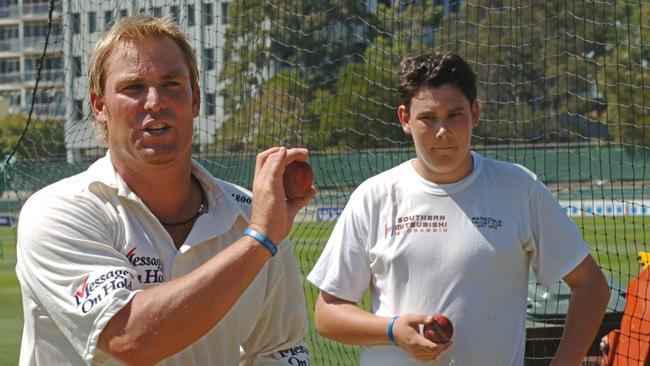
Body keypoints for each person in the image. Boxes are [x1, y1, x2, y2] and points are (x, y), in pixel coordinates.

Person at [16, 15, 314, 366]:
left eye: (172, 83)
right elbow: (130, 338)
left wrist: (259, 233)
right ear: (99, 107)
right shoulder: (58, 211)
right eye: (133, 88)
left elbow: (280, 350)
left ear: (196, 100)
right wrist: (259, 240)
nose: (155, 101)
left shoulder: (250, 214)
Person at [307, 51, 610, 365]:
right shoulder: (374, 196)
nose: (442, 131)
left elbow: (591, 286)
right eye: (428, 117)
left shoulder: (519, 188)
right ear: (405, 119)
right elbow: (327, 314)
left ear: (475, 113)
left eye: (454, 115)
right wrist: (393, 330)